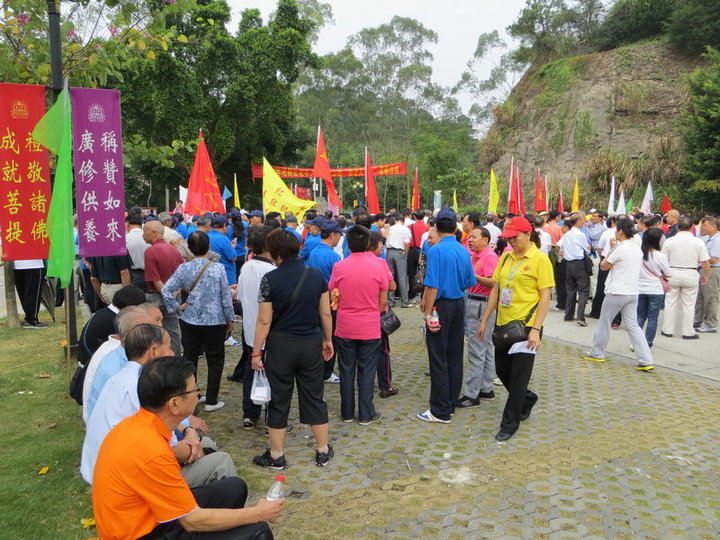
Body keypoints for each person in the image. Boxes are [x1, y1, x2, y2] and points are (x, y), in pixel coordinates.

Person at [92, 355, 280, 540]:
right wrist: (258, 513)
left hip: (150, 517)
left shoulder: (139, 425)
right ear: (174, 404)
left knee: (234, 488)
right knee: (259, 532)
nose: (198, 396)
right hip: (142, 533)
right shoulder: (151, 450)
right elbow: (192, 521)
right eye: (194, 390)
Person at [252, 229, 334, 469]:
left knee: (279, 398)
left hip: (280, 345)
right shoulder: (316, 275)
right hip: (310, 342)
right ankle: (322, 450)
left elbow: (264, 320)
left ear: (275, 252)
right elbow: (325, 312)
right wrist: (327, 339)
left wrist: (256, 351)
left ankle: (277, 455)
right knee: (314, 396)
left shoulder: (269, 279)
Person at [477, 216, 554, 441]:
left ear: (528, 235)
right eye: (508, 238)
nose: (511, 242)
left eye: (515, 237)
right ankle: (527, 398)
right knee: (502, 371)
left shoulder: (540, 260)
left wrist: (536, 329)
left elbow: (545, 297)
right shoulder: (506, 257)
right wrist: (485, 320)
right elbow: (496, 290)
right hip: (504, 325)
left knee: (519, 377)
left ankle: (509, 424)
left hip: (527, 327)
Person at [163, 231, 235, 412]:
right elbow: (225, 296)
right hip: (215, 319)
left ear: (190, 248)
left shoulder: (184, 268)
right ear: (208, 246)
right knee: (215, 359)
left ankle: (192, 397)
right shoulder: (217, 268)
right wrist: (230, 318)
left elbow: (166, 289)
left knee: (190, 358)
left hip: (190, 318)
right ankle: (211, 399)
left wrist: (176, 307)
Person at [417, 208, 476, 424]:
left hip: (440, 306)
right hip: (459, 304)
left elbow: (432, 285)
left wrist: (427, 312)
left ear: (437, 226)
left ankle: (440, 410)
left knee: (438, 358)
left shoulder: (437, 251)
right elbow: (470, 281)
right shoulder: (462, 250)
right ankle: (450, 403)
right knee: (454, 355)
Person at [329, 226, 390, 424]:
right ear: (367, 244)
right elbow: (383, 299)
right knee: (367, 371)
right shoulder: (379, 266)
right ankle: (366, 414)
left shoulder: (340, 266)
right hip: (369, 326)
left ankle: (347, 412)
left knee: (346, 370)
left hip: (345, 325)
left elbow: (333, 292)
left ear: (348, 244)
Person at [582, 217, 655, 370]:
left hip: (617, 291)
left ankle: (597, 352)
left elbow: (603, 266)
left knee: (604, 322)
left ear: (620, 231)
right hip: (633, 291)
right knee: (633, 326)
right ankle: (646, 359)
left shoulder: (621, 248)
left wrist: (613, 248)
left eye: (617, 229)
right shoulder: (637, 248)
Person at [228, 226, 275, 430]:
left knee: (251, 372)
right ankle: (271, 418)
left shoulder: (247, 266)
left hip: (249, 329)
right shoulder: (270, 271)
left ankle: (250, 413)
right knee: (271, 375)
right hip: (266, 331)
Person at [84, 305, 163, 422]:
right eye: (151, 328)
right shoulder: (120, 368)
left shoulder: (123, 354)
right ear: (136, 334)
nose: (159, 328)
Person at [455, 227, 499, 408]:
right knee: (486, 347)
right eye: (469, 237)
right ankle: (486, 388)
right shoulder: (476, 255)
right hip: (476, 302)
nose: (470, 240)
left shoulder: (489, 257)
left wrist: (473, 276)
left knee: (476, 348)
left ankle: (471, 394)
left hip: (482, 304)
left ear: (485, 240)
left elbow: (494, 282)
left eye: (474, 237)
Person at [661, 216, 711, 339]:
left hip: (673, 272)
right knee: (689, 305)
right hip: (691, 273)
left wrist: (663, 276)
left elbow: (662, 260)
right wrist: (706, 275)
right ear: (692, 227)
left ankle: (667, 329)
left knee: (670, 302)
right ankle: (688, 332)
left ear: (678, 227)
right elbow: (705, 261)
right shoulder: (698, 241)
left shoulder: (670, 241)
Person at [306, 218, 343, 383]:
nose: (339, 239)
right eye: (339, 235)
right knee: (330, 336)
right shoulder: (333, 256)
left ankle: (316, 368)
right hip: (329, 301)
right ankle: (327, 372)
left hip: (312, 300)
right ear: (333, 235)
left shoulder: (313, 252)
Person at [76, 285, 146, 369]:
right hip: (91, 365)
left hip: (87, 359)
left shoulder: (104, 312)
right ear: (132, 305)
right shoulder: (118, 321)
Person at [143, 220, 184, 355]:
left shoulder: (150, 251)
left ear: (154, 233)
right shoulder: (174, 249)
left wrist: (167, 295)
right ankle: (175, 358)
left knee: (153, 331)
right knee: (173, 330)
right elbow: (180, 277)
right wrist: (173, 295)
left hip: (157, 297)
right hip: (174, 296)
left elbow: (156, 280)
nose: (142, 235)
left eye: (145, 232)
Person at [369, 231, 399, 398]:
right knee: (382, 351)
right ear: (373, 246)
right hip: (377, 313)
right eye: (381, 243)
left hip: (355, 317)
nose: (383, 246)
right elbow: (392, 286)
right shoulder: (380, 263)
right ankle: (385, 386)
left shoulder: (345, 262)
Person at [636, 228, 672, 348]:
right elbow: (668, 274)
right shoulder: (660, 256)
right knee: (653, 318)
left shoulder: (639, 254)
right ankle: (647, 343)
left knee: (640, 316)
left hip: (640, 288)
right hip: (655, 290)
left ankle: (635, 342)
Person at [557, 215, 591, 326]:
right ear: (577, 222)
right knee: (583, 290)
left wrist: (561, 253)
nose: (583, 222)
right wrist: (589, 249)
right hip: (579, 264)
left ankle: (568, 315)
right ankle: (580, 316)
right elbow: (586, 248)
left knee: (570, 290)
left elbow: (558, 245)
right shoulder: (580, 234)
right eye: (582, 220)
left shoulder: (567, 234)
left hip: (569, 264)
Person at [694, 216, 720, 332]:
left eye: (705, 225)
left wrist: (702, 260)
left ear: (714, 226)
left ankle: (710, 324)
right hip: (703, 268)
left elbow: (714, 259)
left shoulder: (717, 240)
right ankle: (698, 321)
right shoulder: (705, 238)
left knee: (710, 297)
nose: (702, 227)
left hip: (713, 270)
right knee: (700, 297)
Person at [385, 214, 412, 308]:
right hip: (400, 252)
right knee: (402, 277)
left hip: (389, 252)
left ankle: (391, 301)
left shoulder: (390, 228)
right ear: (403, 221)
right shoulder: (406, 229)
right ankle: (405, 301)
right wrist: (406, 254)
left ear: (395, 220)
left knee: (390, 277)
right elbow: (407, 243)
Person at [126, 212, 148, 289]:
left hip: (131, 275)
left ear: (128, 223)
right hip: (149, 275)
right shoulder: (149, 237)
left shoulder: (124, 239)